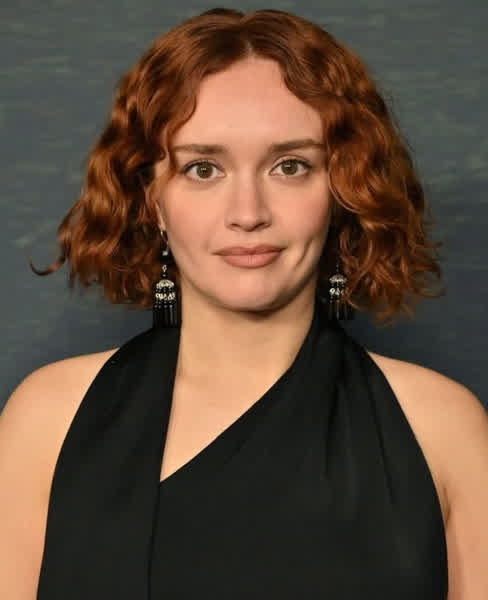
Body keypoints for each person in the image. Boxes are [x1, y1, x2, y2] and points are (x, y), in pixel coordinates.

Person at [1, 7, 487, 600]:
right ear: (152, 199)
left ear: (343, 189)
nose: (248, 212)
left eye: (290, 166)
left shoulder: (443, 429)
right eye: (204, 168)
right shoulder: (47, 421)